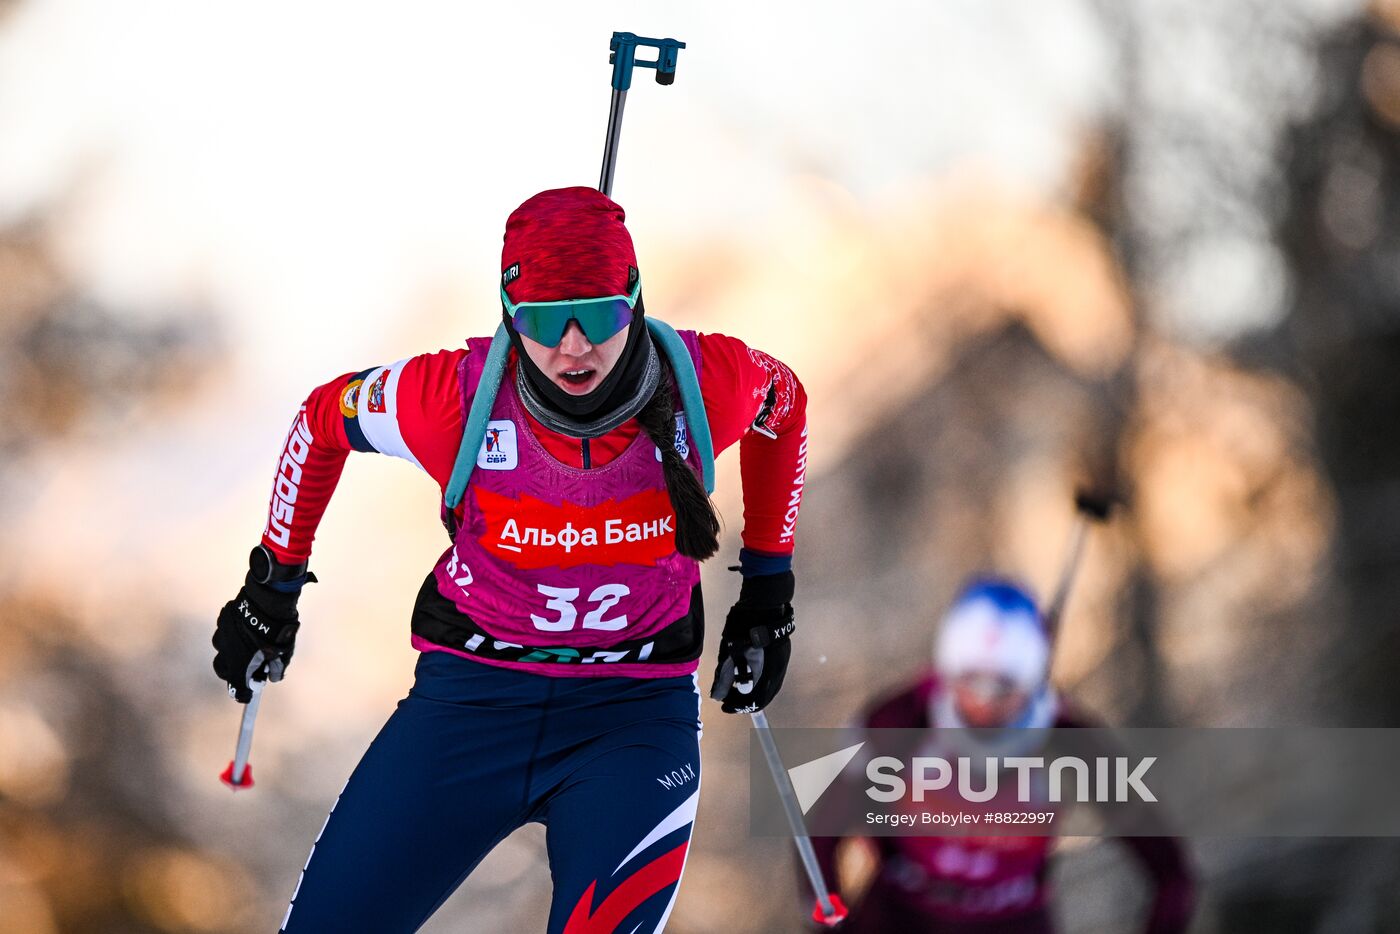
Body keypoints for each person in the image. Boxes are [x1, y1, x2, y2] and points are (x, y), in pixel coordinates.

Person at [211, 187, 809, 933]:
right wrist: (272, 585)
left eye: (597, 315)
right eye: (542, 322)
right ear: (507, 314)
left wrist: (767, 590)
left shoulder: (707, 383)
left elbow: (786, 405)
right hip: (469, 705)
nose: (573, 347)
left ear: (633, 297)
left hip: (630, 719)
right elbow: (321, 421)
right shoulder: (448, 399)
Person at [811, 579, 1196, 933]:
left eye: (1003, 686)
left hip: (1015, 920)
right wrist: (826, 919)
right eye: (970, 680)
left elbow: (1171, 872)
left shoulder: (1067, 739)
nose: (983, 702)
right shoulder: (898, 720)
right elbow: (819, 833)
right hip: (899, 917)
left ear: (1031, 681)